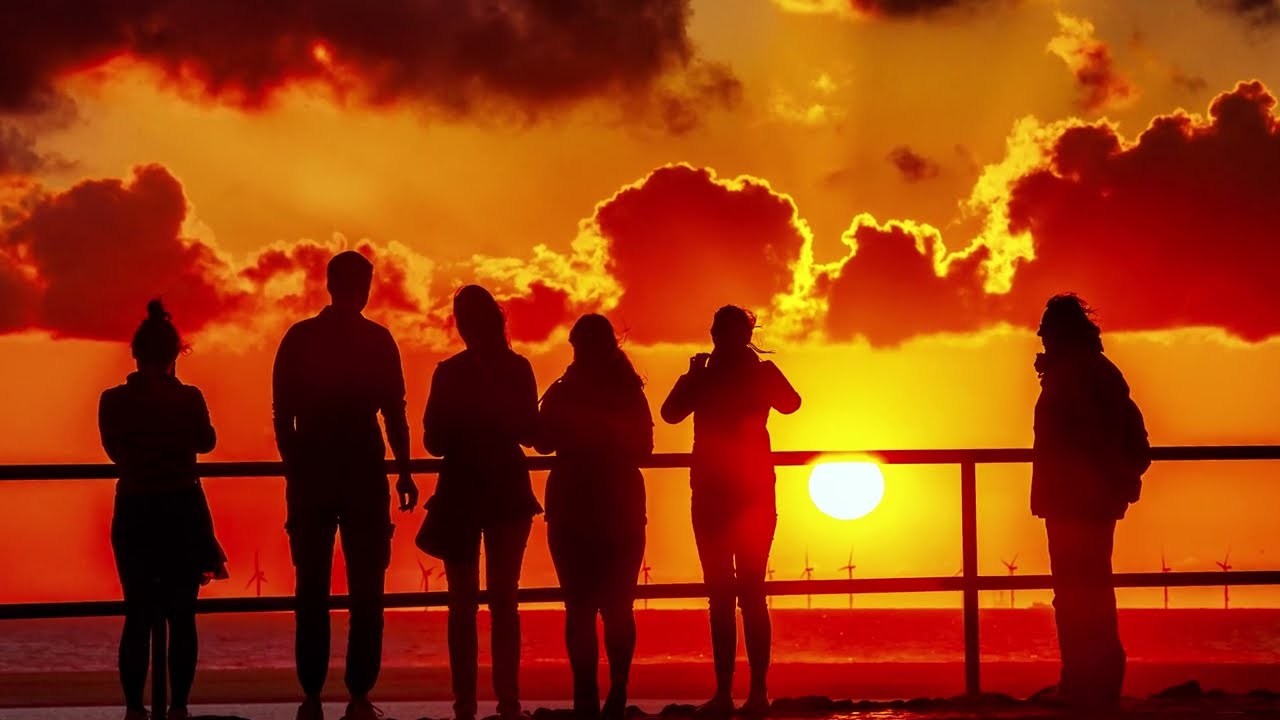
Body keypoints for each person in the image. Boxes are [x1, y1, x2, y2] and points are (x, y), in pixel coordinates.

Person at [272, 251, 418, 720]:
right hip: (362, 468)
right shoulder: (378, 340)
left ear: (330, 285)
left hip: (313, 470)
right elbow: (394, 410)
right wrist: (405, 471)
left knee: (310, 588)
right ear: (365, 288)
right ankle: (358, 694)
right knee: (367, 589)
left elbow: (282, 415)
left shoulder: (299, 338)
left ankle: (312, 694)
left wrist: (295, 465)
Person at [660, 305, 801, 715]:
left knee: (728, 596)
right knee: (742, 596)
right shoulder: (733, 375)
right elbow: (790, 403)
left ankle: (740, 692)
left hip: (725, 494)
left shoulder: (713, 377)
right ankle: (746, 693)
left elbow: (671, 414)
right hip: (739, 493)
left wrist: (694, 376)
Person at [99, 299, 228, 720]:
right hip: (182, 509)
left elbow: (115, 451)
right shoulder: (189, 398)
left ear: (136, 353)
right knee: (181, 615)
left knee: (137, 613)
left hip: (135, 508)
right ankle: (178, 707)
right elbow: (207, 442)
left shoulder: (112, 401)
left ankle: (135, 708)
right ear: (175, 354)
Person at [422, 285, 542, 720]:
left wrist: (462, 424)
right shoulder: (518, 368)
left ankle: (465, 706)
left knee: (462, 605)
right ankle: (508, 703)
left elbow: (433, 441)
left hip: (459, 492)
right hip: (508, 489)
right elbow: (531, 431)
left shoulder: (448, 372)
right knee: (504, 602)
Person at [1031, 293, 1149, 709]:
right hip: (1083, 499)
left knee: (1079, 592)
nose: (1041, 335)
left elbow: (1082, 436)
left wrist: (1096, 480)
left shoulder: (1077, 376)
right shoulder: (1094, 372)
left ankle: (1086, 684)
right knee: (1088, 590)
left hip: (1076, 501)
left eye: (1046, 327)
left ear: (1062, 331)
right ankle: (1091, 681)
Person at [536, 314, 653, 720]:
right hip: (619, 506)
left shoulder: (565, 391)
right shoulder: (629, 392)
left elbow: (542, 443)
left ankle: (586, 694)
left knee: (580, 608)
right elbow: (646, 448)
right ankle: (616, 687)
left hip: (573, 506)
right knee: (619, 607)